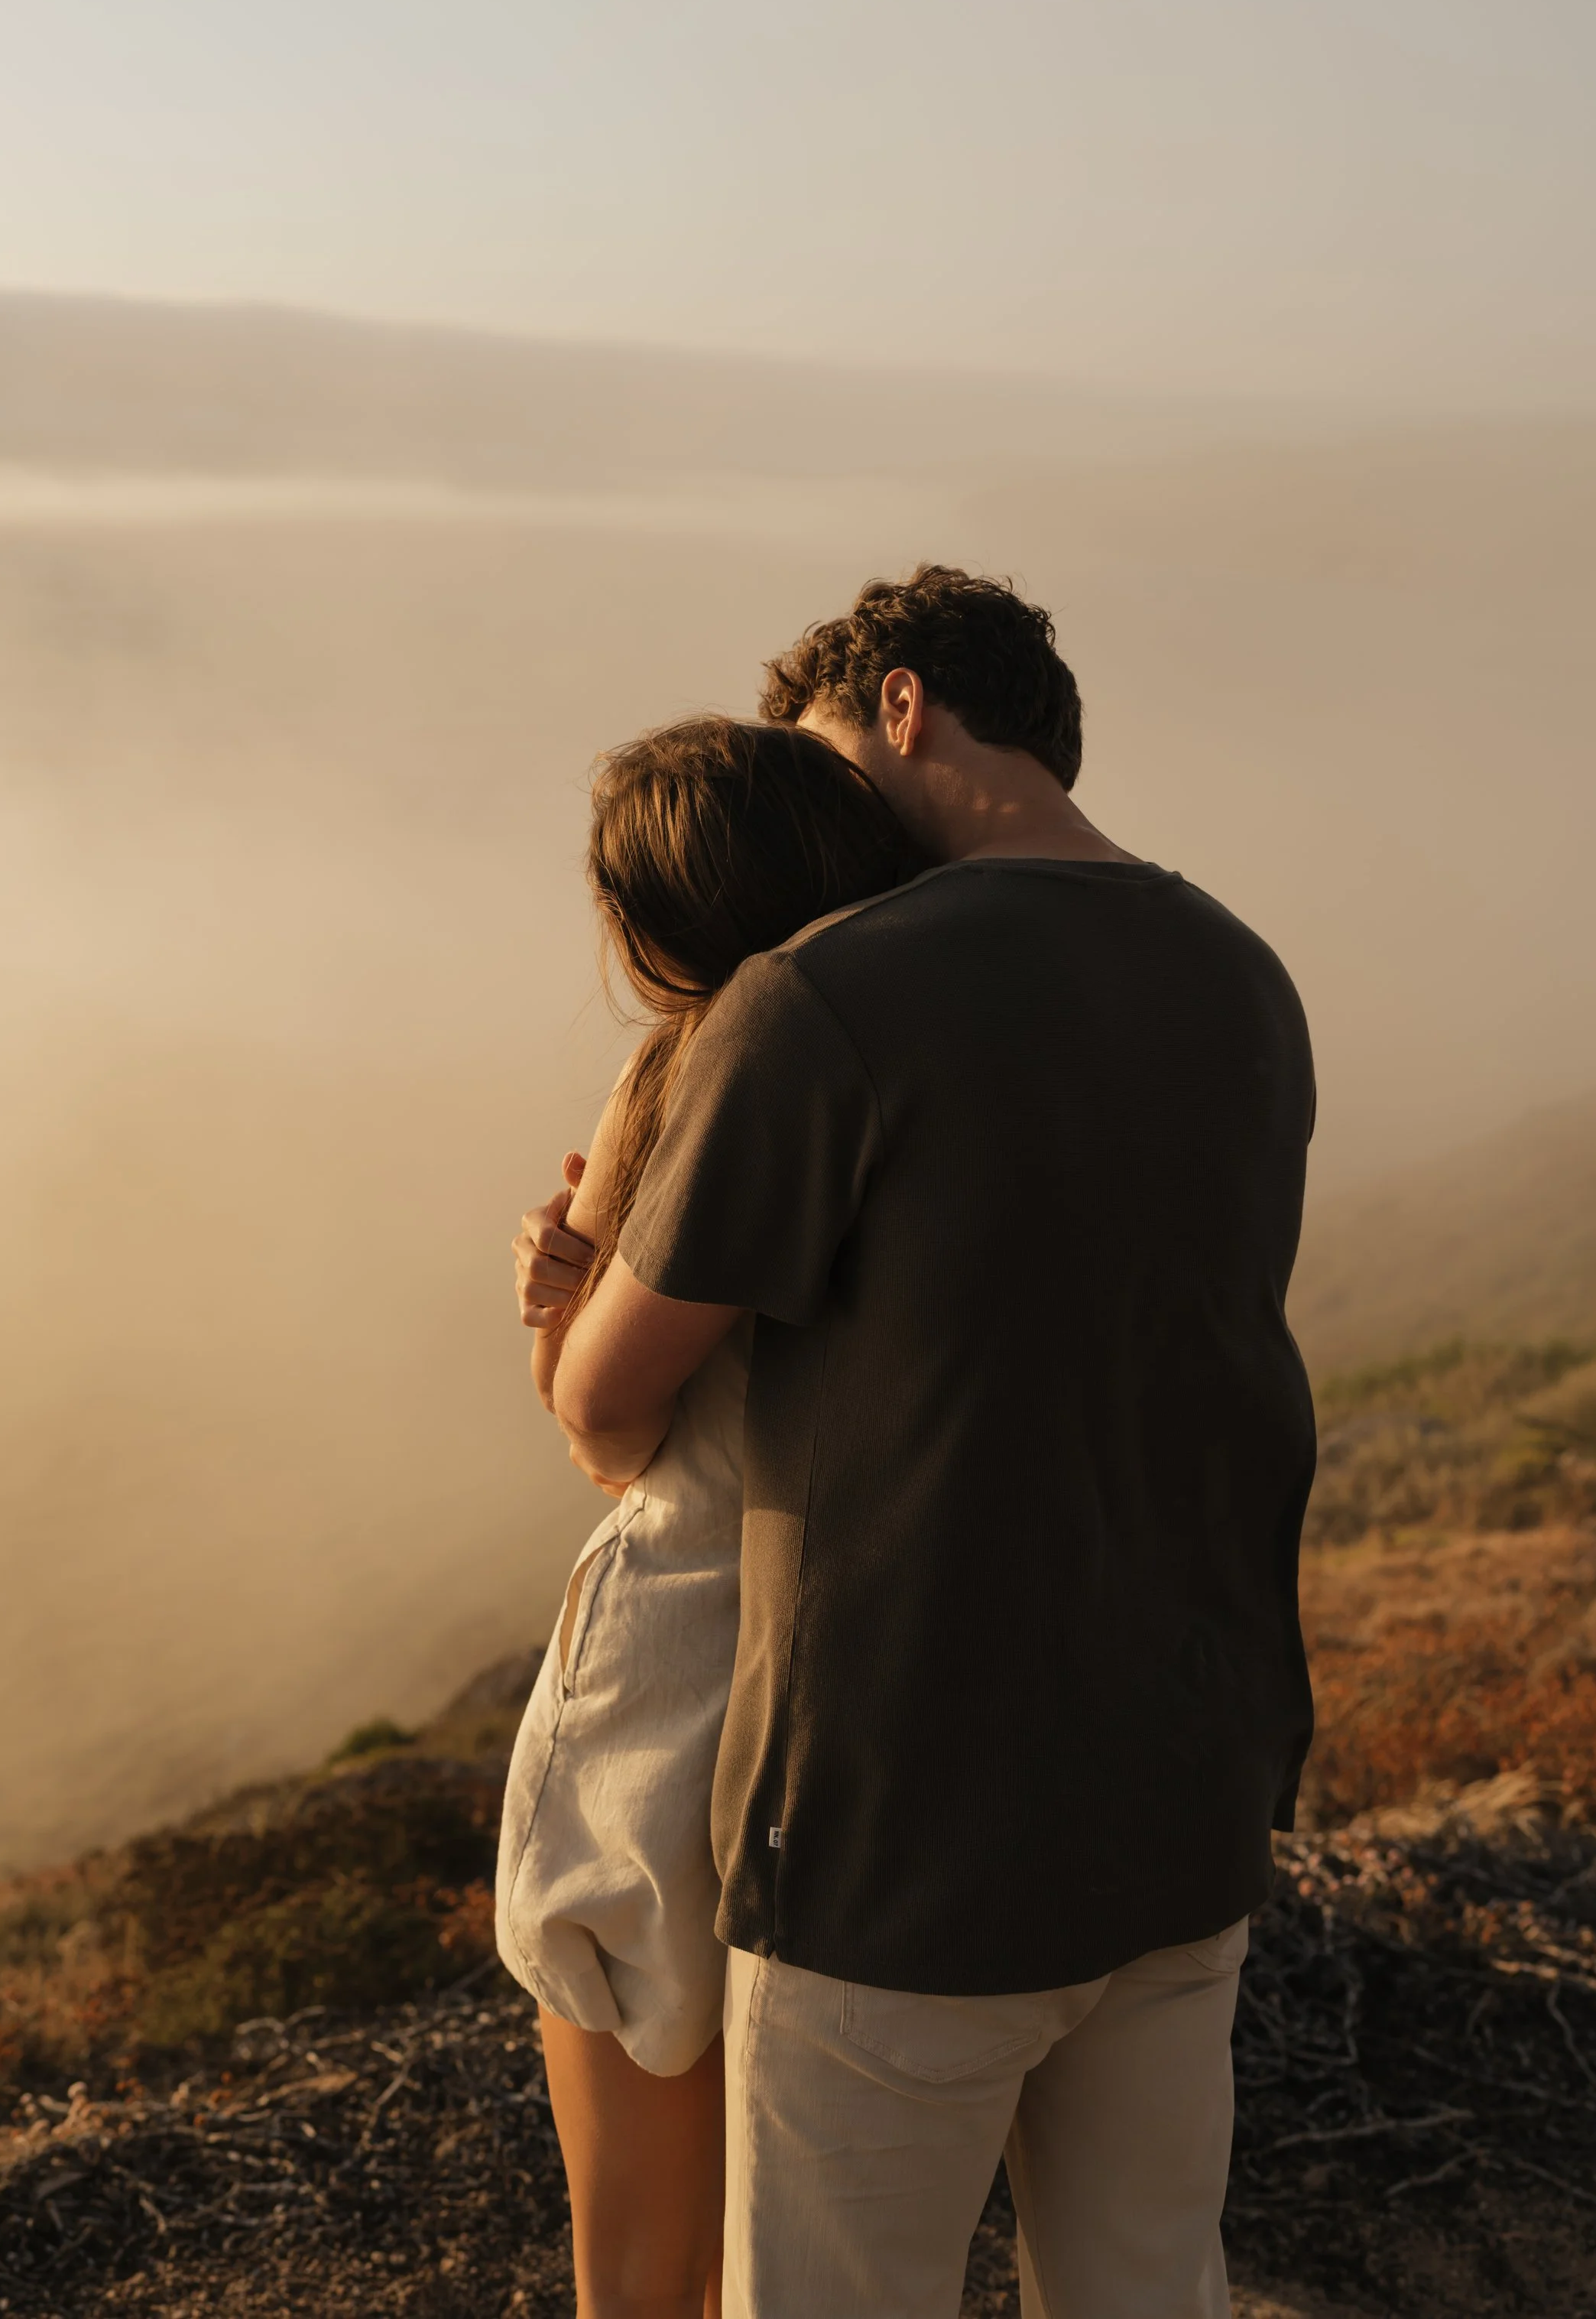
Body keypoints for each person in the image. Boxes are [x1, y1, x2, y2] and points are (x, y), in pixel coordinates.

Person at [534, 564, 1318, 2319]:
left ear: (900, 706)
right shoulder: (1239, 976)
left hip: (902, 1841)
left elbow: (602, 1403)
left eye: (820, 755)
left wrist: (564, 1289)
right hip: (1181, 1805)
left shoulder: (820, 996)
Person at [496, 714, 919, 2319]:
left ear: (651, 926)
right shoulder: (939, 1072)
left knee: (639, 2272)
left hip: (667, 1681)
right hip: (858, 1693)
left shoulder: (688, 1070)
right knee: (785, 2250)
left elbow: (604, 1426)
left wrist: (559, 1297)